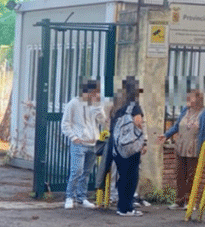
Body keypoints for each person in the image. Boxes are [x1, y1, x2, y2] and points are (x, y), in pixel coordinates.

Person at [158, 89, 205, 210]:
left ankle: (191, 202)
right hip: (181, 146)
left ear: (198, 99)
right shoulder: (185, 110)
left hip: (194, 148)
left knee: (192, 176)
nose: (188, 99)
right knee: (179, 175)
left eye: (191, 97)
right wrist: (166, 135)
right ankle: (179, 201)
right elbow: (177, 126)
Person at [61, 78, 106, 209]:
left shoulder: (95, 105)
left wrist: (99, 107)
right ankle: (69, 197)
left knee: (86, 172)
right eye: (95, 92)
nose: (97, 95)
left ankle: (82, 197)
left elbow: (102, 121)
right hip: (79, 143)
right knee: (77, 171)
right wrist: (73, 137)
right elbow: (65, 123)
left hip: (93, 142)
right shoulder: (74, 103)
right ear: (89, 91)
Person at [112, 78, 146, 217]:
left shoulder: (118, 105)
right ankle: (128, 208)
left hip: (118, 146)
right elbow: (138, 122)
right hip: (131, 147)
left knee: (122, 176)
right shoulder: (134, 107)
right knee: (131, 177)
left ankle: (121, 207)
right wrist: (142, 140)